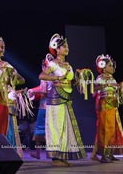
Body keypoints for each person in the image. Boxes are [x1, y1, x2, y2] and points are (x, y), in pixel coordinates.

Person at [38, 33, 86, 166]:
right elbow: (41, 76)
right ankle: (55, 157)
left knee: (65, 127)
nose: (66, 48)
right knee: (56, 127)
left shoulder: (68, 65)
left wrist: (79, 78)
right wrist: (57, 78)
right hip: (55, 98)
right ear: (57, 49)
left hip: (66, 98)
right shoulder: (53, 64)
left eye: (67, 46)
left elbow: (70, 81)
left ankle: (62, 155)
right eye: (63, 46)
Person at [91, 54, 123, 163]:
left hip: (113, 105)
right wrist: (105, 85)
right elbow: (94, 89)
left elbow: (116, 91)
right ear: (103, 67)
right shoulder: (100, 78)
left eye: (113, 66)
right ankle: (104, 155)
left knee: (113, 130)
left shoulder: (112, 79)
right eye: (110, 66)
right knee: (106, 130)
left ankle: (110, 153)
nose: (113, 68)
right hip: (104, 105)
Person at [27, 79, 49, 159]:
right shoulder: (45, 77)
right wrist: (33, 92)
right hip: (43, 108)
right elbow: (42, 92)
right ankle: (38, 153)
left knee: (48, 131)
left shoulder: (52, 78)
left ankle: (49, 153)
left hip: (49, 108)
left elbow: (44, 91)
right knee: (39, 130)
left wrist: (33, 91)